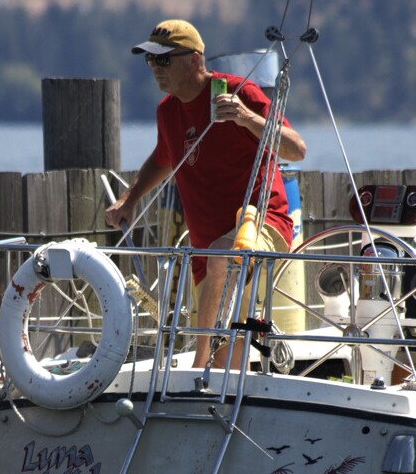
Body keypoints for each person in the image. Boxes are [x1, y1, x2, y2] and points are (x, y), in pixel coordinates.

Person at [104, 19, 307, 369]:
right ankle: (211, 393)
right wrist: (130, 199)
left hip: (263, 225)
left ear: (195, 60)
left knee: (222, 259)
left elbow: (297, 149)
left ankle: (195, 374)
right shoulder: (167, 111)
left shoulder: (237, 92)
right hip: (207, 251)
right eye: (150, 60)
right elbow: (162, 159)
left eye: (164, 60)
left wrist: (246, 118)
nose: (155, 68)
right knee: (225, 358)